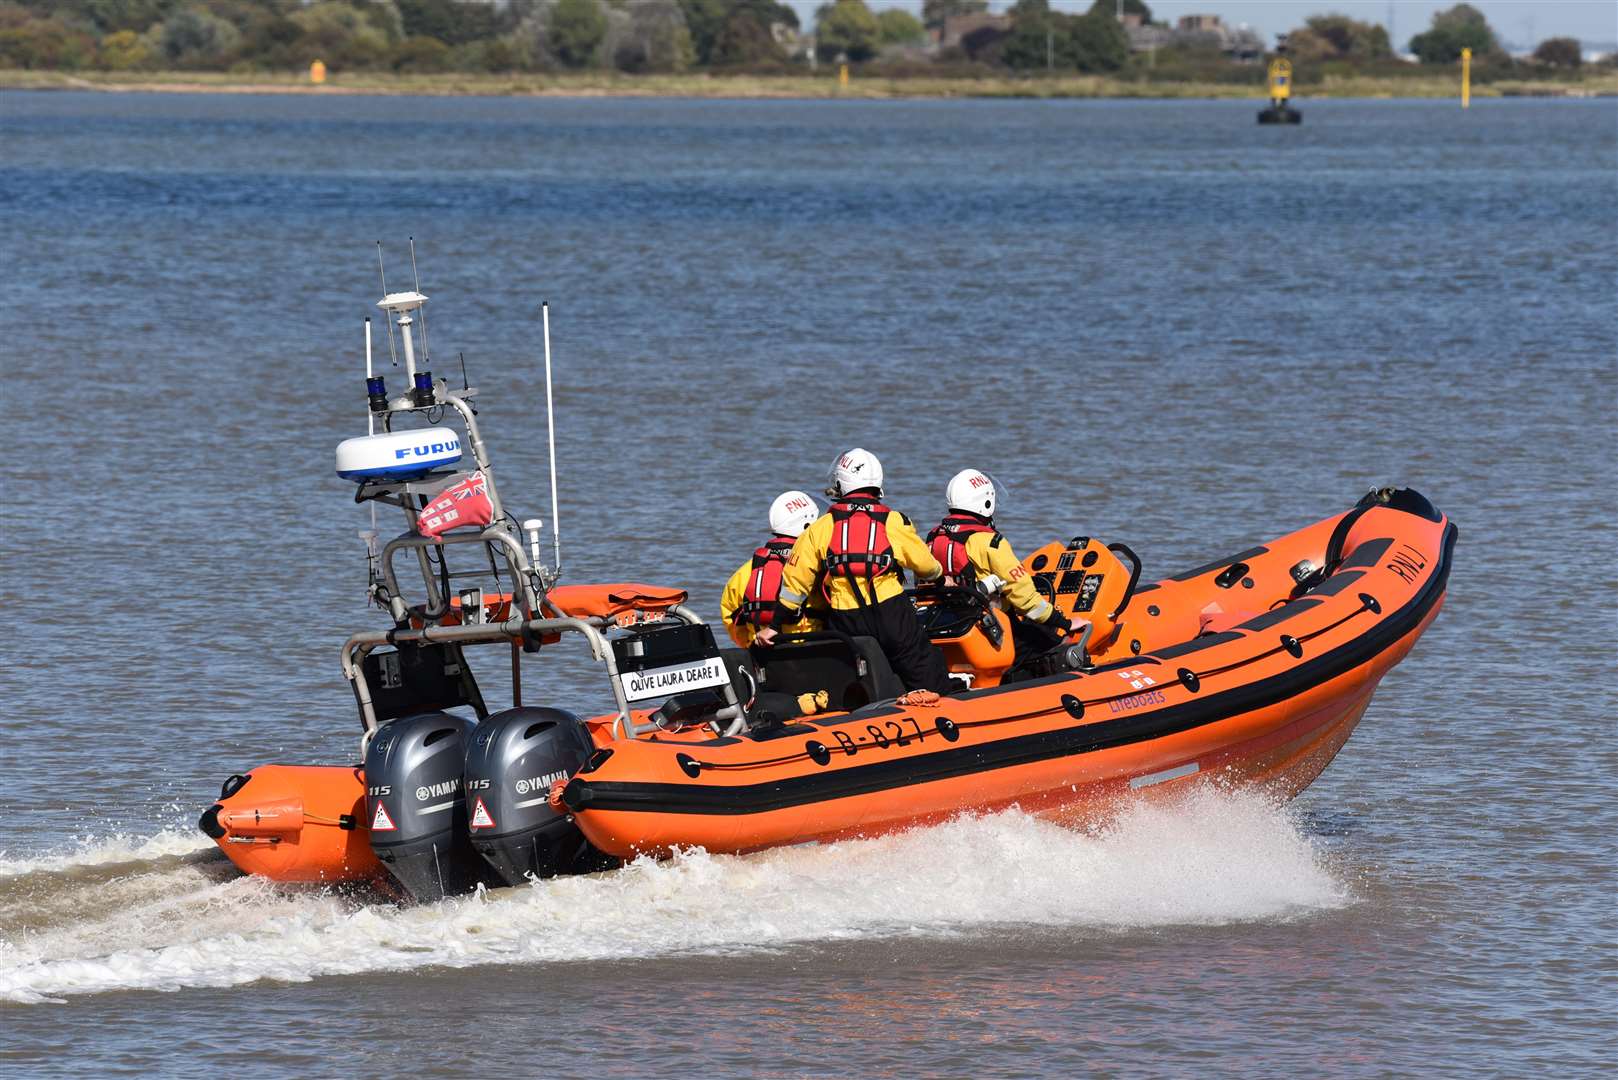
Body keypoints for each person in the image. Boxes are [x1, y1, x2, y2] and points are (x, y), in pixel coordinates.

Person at [757, 448, 952, 696]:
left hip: (847, 619)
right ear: (878, 484)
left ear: (840, 484)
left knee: (858, 678)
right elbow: (926, 565)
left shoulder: (821, 528)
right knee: (924, 666)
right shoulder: (893, 521)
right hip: (893, 613)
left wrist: (774, 625)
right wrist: (939, 578)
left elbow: (795, 583)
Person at [926, 468, 1074, 648]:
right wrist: (1065, 623)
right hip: (992, 630)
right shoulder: (991, 542)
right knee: (1058, 644)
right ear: (986, 502)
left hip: (949, 622)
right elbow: (1026, 599)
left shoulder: (934, 537)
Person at [719, 490, 824, 649]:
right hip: (810, 657)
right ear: (807, 526)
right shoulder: (816, 567)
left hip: (764, 663)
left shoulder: (745, 573)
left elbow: (731, 620)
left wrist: (751, 644)